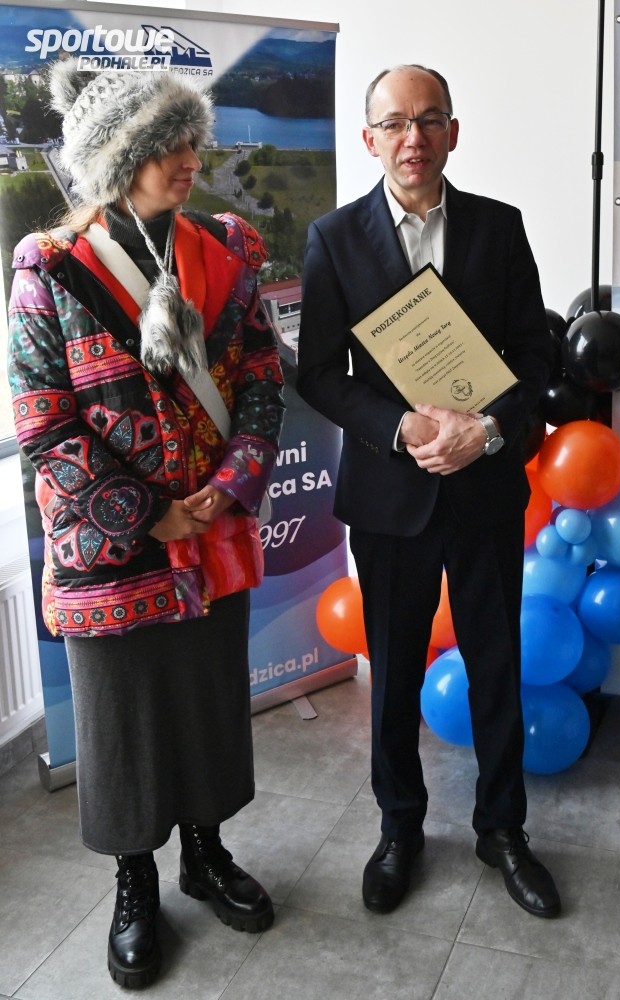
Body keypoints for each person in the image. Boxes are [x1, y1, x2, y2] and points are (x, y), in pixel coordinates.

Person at [6, 61, 284, 989]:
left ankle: (205, 853)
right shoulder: (50, 269)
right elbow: (44, 425)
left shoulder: (227, 250)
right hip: (111, 550)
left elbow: (260, 378)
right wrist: (145, 513)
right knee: (123, 722)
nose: (188, 159)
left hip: (210, 535)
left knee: (207, 703)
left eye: (191, 139)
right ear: (115, 157)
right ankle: (136, 881)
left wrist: (230, 487)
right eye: (166, 145)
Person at [297, 64, 560, 919]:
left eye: (428, 119)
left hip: (484, 488)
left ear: (452, 132)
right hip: (389, 496)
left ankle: (502, 829)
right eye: (395, 123)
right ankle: (398, 829)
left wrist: (487, 430)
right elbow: (319, 374)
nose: (412, 137)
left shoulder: (498, 227)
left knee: (496, 666)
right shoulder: (334, 238)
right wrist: (400, 425)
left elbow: (534, 354)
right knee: (394, 675)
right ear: (369, 138)